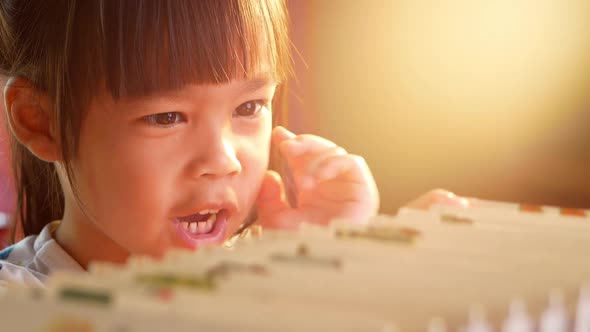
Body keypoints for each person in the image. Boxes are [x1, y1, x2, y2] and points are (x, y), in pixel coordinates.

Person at [0, 0, 466, 287]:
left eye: (248, 108)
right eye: (166, 117)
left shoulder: (268, 266)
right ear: (40, 121)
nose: (222, 162)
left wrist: (346, 267)